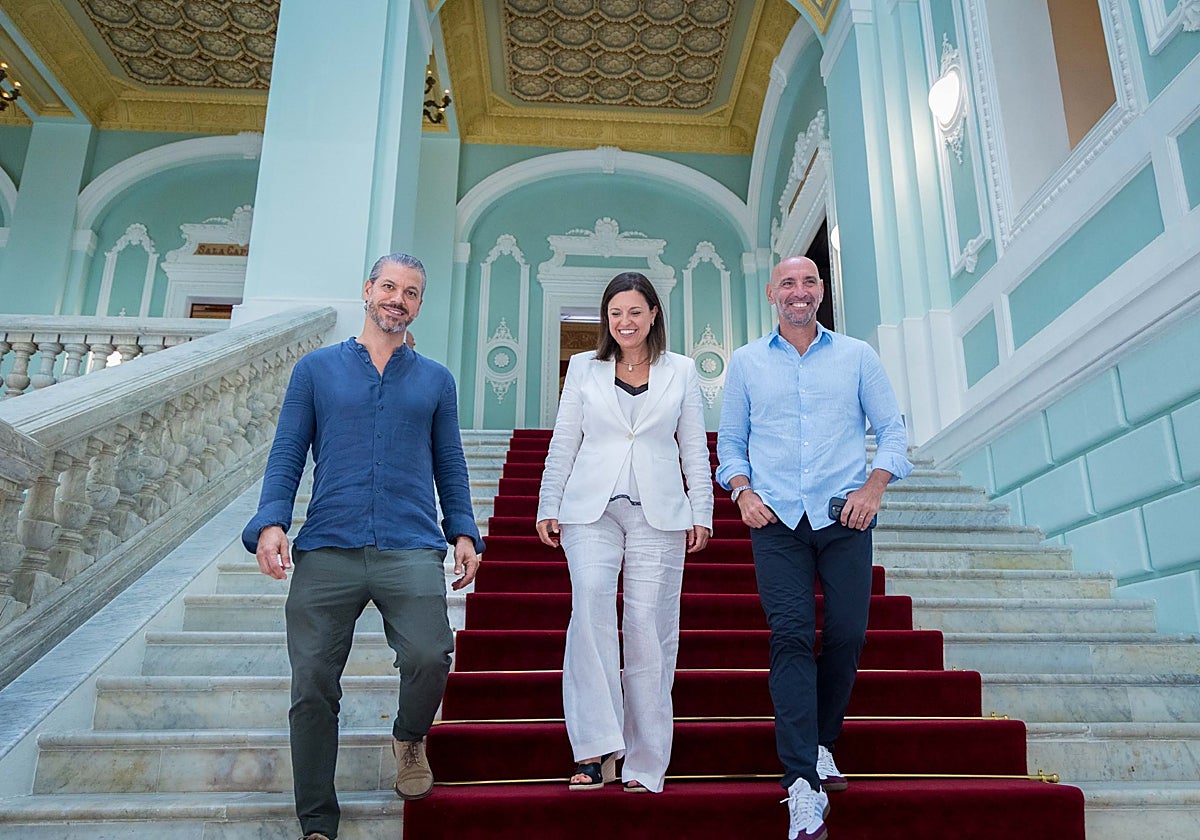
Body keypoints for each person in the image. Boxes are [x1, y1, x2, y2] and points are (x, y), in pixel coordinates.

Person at [242, 253, 483, 840]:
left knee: (430, 653)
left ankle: (408, 736)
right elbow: (287, 452)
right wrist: (271, 520)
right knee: (313, 687)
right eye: (390, 287)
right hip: (328, 547)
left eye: (412, 293)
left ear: (419, 304)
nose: (399, 299)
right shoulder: (316, 370)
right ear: (368, 290)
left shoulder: (435, 381)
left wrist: (464, 530)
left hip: (410, 545)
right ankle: (318, 819)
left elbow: (449, 463)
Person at [716, 256, 912, 840]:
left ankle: (823, 742)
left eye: (809, 283)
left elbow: (894, 432)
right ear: (772, 293)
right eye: (788, 284)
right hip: (775, 520)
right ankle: (802, 782)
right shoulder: (747, 363)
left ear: (820, 292)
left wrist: (875, 487)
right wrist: (741, 491)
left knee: (849, 632)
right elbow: (730, 443)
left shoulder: (857, 357)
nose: (798, 293)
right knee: (793, 634)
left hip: (844, 516)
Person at [536, 271, 713, 794]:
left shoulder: (681, 372)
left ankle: (643, 759)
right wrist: (549, 501)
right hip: (590, 510)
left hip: (659, 513)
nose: (624, 322)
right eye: (615, 313)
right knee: (589, 611)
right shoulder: (585, 370)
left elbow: (694, 449)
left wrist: (701, 511)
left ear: (653, 314)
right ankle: (594, 750)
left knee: (648, 628)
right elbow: (564, 440)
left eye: (634, 312)